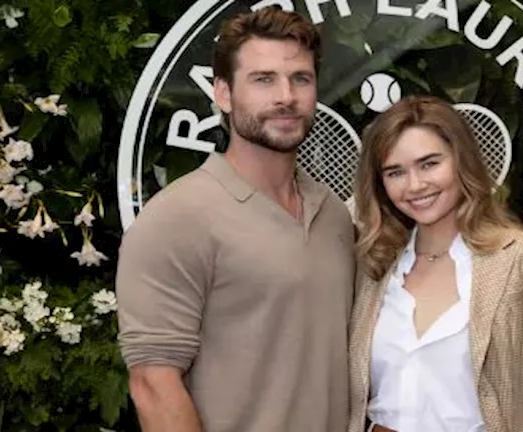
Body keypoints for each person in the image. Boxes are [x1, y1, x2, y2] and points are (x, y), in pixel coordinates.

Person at [116, 6, 356, 432]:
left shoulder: (333, 214)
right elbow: (153, 385)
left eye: (300, 79)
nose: (286, 96)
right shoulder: (176, 218)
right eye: (263, 80)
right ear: (223, 94)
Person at [347, 95, 523, 432]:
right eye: (395, 172)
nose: (415, 185)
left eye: (429, 164)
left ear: (461, 161)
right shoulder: (370, 265)